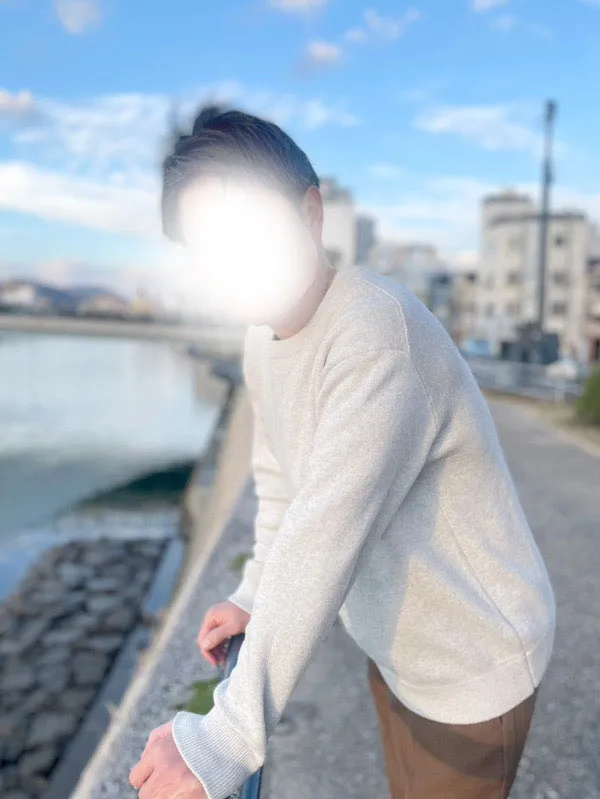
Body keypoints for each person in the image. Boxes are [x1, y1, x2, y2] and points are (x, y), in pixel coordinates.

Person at [130, 105, 556, 799]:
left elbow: (326, 532)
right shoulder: (262, 340)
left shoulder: (376, 333)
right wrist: (253, 593)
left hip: (473, 656)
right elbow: (280, 487)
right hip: (399, 644)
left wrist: (222, 740)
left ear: (310, 212)